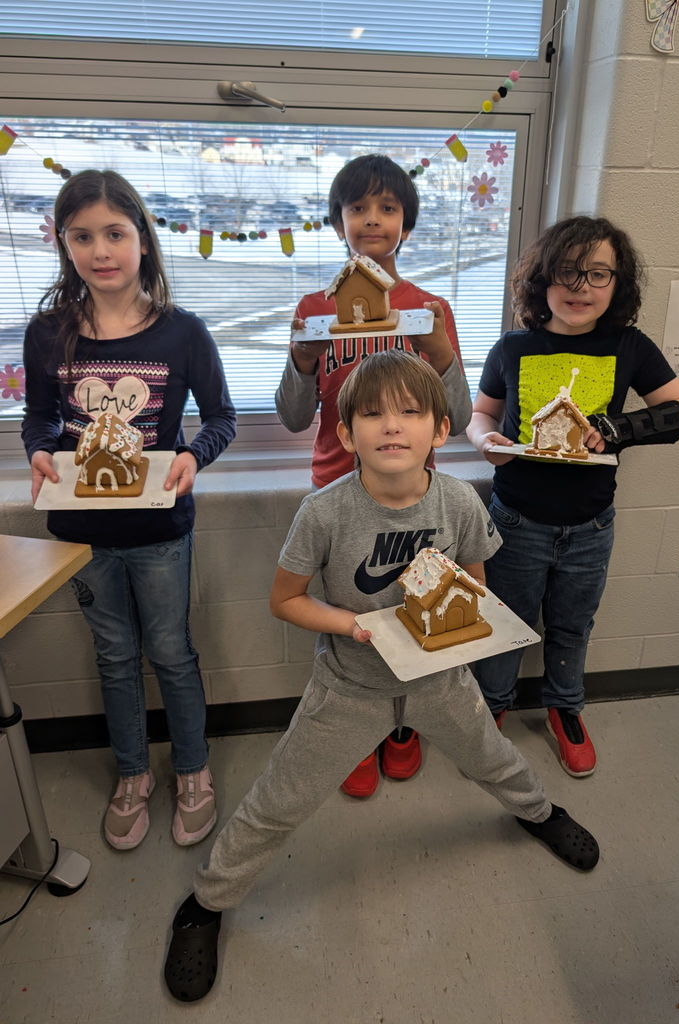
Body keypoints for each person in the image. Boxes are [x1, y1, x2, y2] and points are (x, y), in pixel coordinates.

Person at [163, 349, 599, 1003]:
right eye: (371, 414)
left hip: (439, 682)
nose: (390, 425)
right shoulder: (324, 512)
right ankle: (205, 902)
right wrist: (349, 625)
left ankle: (539, 813)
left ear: (439, 429)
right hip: (349, 685)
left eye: (409, 411)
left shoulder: (456, 502)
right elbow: (285, 600)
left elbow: (474, 588)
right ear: (346, 434)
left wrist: (462, 628)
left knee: (492, 758)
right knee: (280, 800)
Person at [21, 169, 237, 851]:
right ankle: (132, 772)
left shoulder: (182, 333)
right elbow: (38, 420)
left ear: (142, 238)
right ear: (64, 244)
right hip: (82, 533)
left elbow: (221, 419)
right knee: (114, 655)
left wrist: (192, 458)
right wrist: (39, 454)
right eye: (82, 236)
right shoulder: (48, 334)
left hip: (159, 530)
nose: (100, 250)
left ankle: (193, 769)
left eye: (115, 233)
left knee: (171, 652)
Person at [466, 215, 679, 778]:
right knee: (505, 622)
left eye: (599, 274)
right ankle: (488, 714)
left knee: (573, 625)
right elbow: (480, 415)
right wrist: (486, 443)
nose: (581, 287)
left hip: (591, 526)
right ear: (542, 280)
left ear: (617, 285)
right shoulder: (513, 346)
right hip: (515, 520)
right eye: (568, 272)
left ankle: (564, 709)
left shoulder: (630, 346)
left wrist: (619, 428)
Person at [275, 154, 473, 798]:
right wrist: (301, 362)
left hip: (416, 498)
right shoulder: (315, 307)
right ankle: (356, 732)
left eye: (387, 209)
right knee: (349, 621)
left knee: (415, 607)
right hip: (338, 498)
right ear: (339, 222)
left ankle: (403, 726)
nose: (372, 220)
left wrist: (442, 355)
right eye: (358, 208)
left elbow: (462, 416)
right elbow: (292, 415)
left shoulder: (427, 310)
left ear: (406, 225)